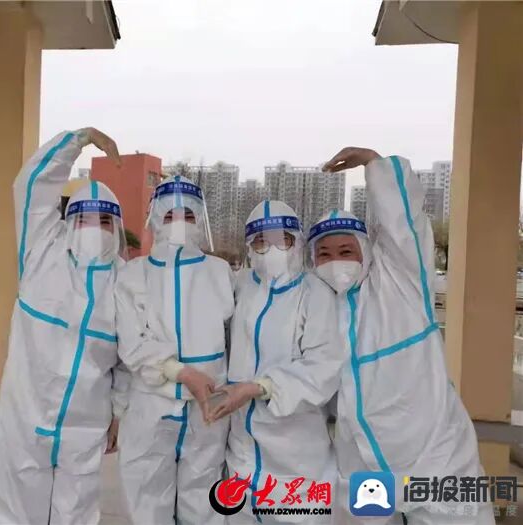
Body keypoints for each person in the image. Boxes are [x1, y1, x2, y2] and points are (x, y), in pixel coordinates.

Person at [309, 147, 494, 525]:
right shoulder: (320, 311)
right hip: (363, 460)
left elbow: (403, 226)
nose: (336, 260)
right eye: (324, 254)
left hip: (436, 456)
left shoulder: (401, 283)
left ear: (367, 251)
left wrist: (373, 163)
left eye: (346, 250)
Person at [0, 127, 130, 525]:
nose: (94, 227)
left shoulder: (125, 283)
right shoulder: (41, 253)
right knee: (15, 509)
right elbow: (31, 186)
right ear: (67, 222)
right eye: (83, 218)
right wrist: (78, 139)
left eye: (105, 220)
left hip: (86, 423)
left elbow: (127, 361)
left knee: (77, 512)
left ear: (118, 228)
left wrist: (118, 413)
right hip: (25, 414)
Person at [209, 200, 343, 524]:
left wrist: (260, 387)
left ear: (297, 242)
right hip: (241, 449)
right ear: (249, 247)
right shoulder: (241, 286)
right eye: (261, 242)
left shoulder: (315, 294)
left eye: (282, 240)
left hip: (296, 454)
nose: (271, 250)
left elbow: (323, 367)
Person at [115, 175, 235, 525]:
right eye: (169, 216)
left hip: (209, 406)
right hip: (151, 406)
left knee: (204, 499)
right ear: (154, 219)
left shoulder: (220, 272)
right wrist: (179, 372)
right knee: (147, 499)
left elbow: (238, 338)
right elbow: (131, 341)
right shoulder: (134, 275)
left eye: (188, 216)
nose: (179, 224)